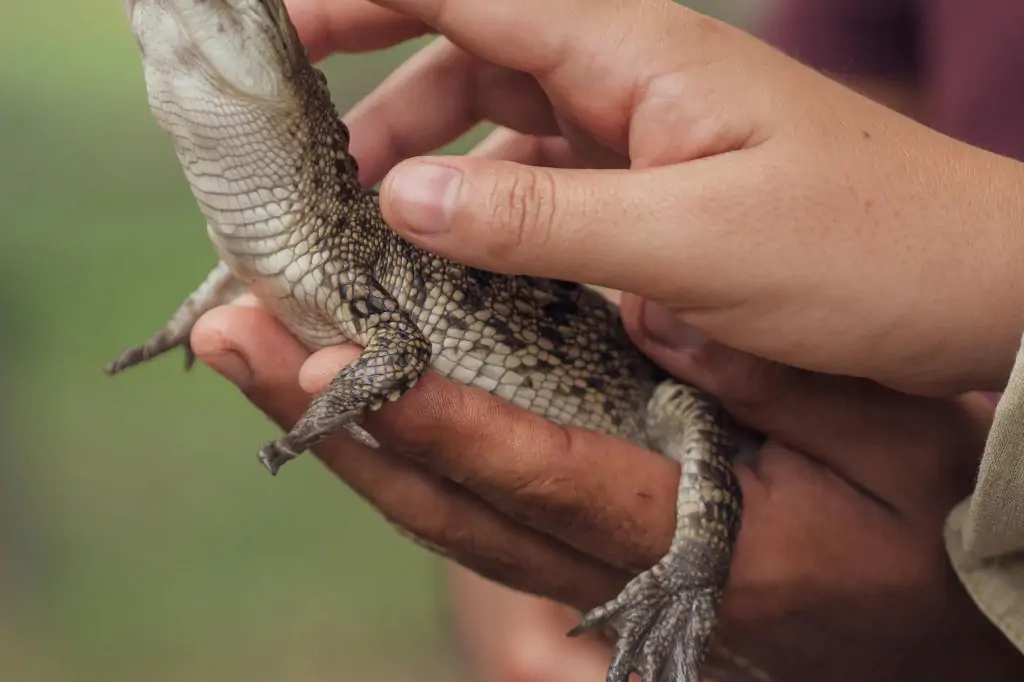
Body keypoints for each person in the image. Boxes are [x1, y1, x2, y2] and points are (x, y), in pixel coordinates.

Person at [187, 0, 1024, 679]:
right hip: (706, 442)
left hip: (794, 460)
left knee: (685, 412)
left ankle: (689, 581)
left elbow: (399, 357)